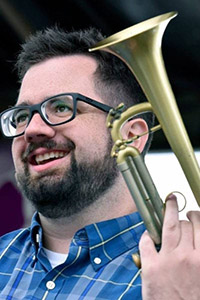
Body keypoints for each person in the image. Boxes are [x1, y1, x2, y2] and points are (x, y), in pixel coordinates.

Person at [0, 26, 199, 300]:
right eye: (22, 115)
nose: (32, 129)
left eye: (61, 107)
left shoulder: (192, 271)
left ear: (132, 135)